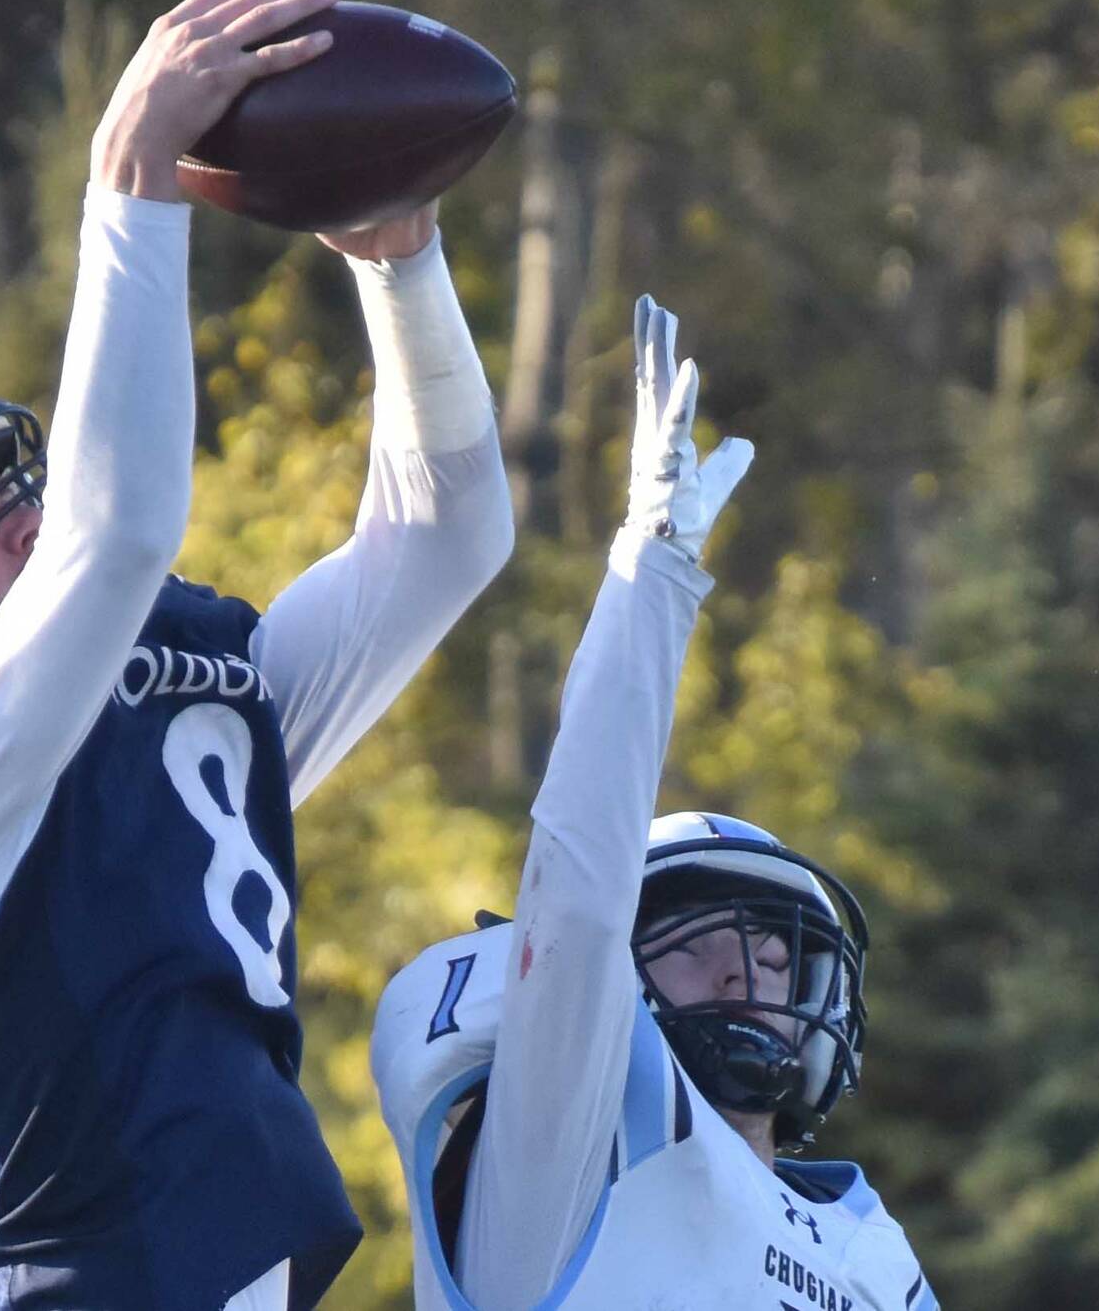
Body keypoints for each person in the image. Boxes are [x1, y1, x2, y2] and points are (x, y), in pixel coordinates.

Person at [0, 0, 514, 1311]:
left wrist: (403, 268)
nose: (9, 516)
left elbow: (444, 542)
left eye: (0, 480)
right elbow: (117, 528)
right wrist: (129, 181)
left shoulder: (142, 720)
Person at [370, 297, 937, 1309]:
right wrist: (653, 573)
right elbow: (578, 899)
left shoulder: (873, 1258)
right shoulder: (568, 1161)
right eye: (696, 939)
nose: (746, 970)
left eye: (774, 954)